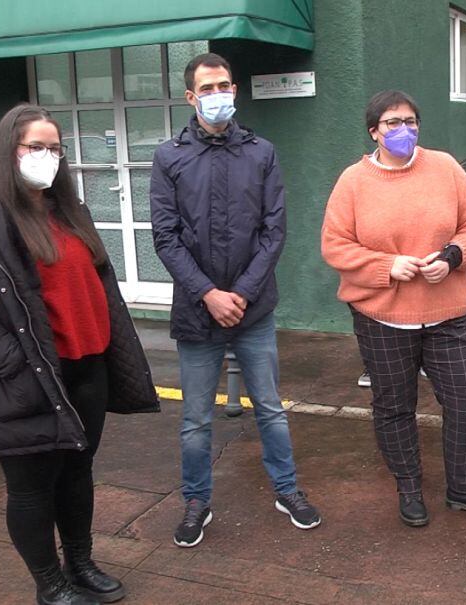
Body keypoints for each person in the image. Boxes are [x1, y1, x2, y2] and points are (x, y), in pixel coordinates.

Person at [0, 104, 160, 605]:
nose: (47, 157)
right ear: (7, 149)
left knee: (77, 473)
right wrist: (14, 362)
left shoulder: (64, 211)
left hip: (85, 367)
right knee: (32, 490)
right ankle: (50, 583)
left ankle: (81, 562)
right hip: (24, 378)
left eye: (55, 148)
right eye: (35, 146)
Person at [150, 53, 320, 548]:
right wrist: (208, 293)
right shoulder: (170, 157)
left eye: (224, 84)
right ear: (191, 97)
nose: (218, 94)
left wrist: (240, 295)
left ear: (235, 89)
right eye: (208, 87)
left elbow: (274, 231)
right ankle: (196, 501)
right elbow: (165, 237)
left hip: (254, 310)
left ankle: (287, 490)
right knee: (196, 420)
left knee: (269, 408)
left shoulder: (261, 152)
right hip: (196, 314)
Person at [322, 90, 466, 527]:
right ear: (374, 131)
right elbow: (335, 245)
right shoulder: (353, 181)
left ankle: (461, 488)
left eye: (410, 120)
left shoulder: (444, 167)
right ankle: (408, 486)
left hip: (448, 313)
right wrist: (388, 265)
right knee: (394, 406)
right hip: (382, 318)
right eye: (392, 122)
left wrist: (453, 257)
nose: (403, 129)